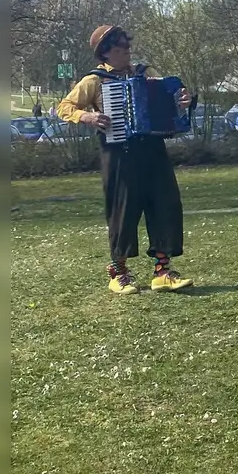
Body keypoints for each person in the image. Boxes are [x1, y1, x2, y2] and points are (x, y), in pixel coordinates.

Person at [56, 24, 195, 294]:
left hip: (153, 148)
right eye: (120, 49)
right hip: (118, 152)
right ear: (105, 53)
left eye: (127, 47)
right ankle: (118, 273)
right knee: (123, 211)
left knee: (165, 204)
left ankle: (162, 272)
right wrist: (89, 116)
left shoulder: (146, 73)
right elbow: (64, 107)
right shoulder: (94, 81)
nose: (127, 53)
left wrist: (183, 101)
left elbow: (171, 99)